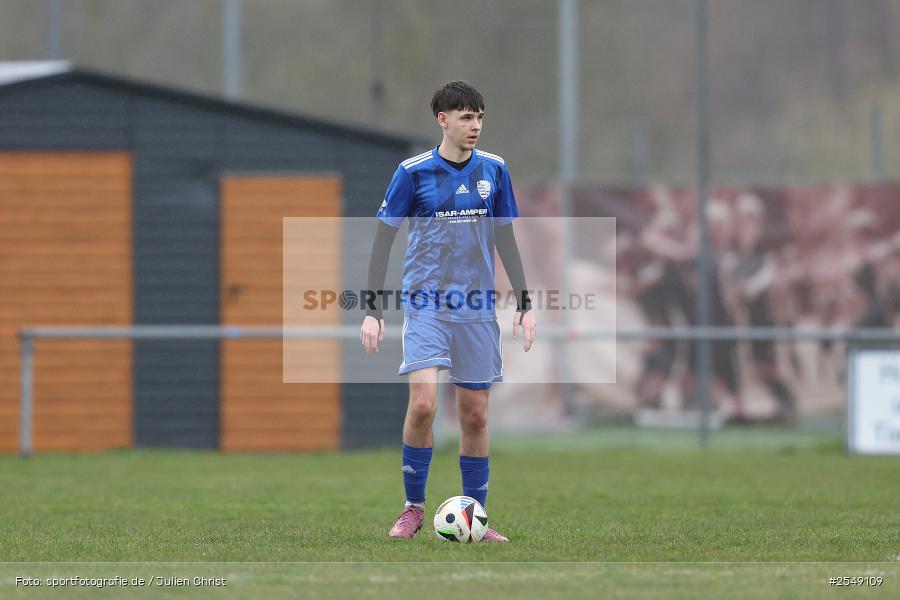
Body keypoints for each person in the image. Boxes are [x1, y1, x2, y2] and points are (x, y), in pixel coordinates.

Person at [360, 81, 537, 542]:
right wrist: (373, 308)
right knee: (423, 405)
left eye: (479, 116)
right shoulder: (413, 172)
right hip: (425, 305)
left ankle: (476, 517)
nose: (474, 125)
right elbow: (384, 237)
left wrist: (524, 301)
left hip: (477, 309)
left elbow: (505, 239)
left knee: (475, 415)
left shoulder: (494, 171)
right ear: (443, 120)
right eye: (465, 117)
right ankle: (413, 508)